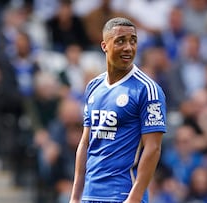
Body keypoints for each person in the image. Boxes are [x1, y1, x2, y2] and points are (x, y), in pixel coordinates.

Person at [69, 17, 167, 203]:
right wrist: (75, 196)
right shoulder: (93, 87)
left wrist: (134, 198)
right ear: (104, 45)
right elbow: (85, 143)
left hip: (122, 195)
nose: (128, 47)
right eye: (121, 41)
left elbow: (153, 148)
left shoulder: (147, 89)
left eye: (133, 41)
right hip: (90, 194)